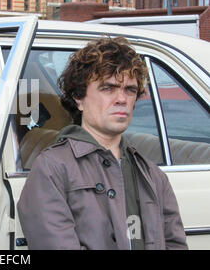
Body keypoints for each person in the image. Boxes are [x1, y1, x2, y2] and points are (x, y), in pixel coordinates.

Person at [17, 36, 188, 250]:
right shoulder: (52, 169)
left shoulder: (153, 176)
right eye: (108, 88)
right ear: (78, 98)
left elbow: (175, 245)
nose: (122, 99)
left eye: (130, 90)